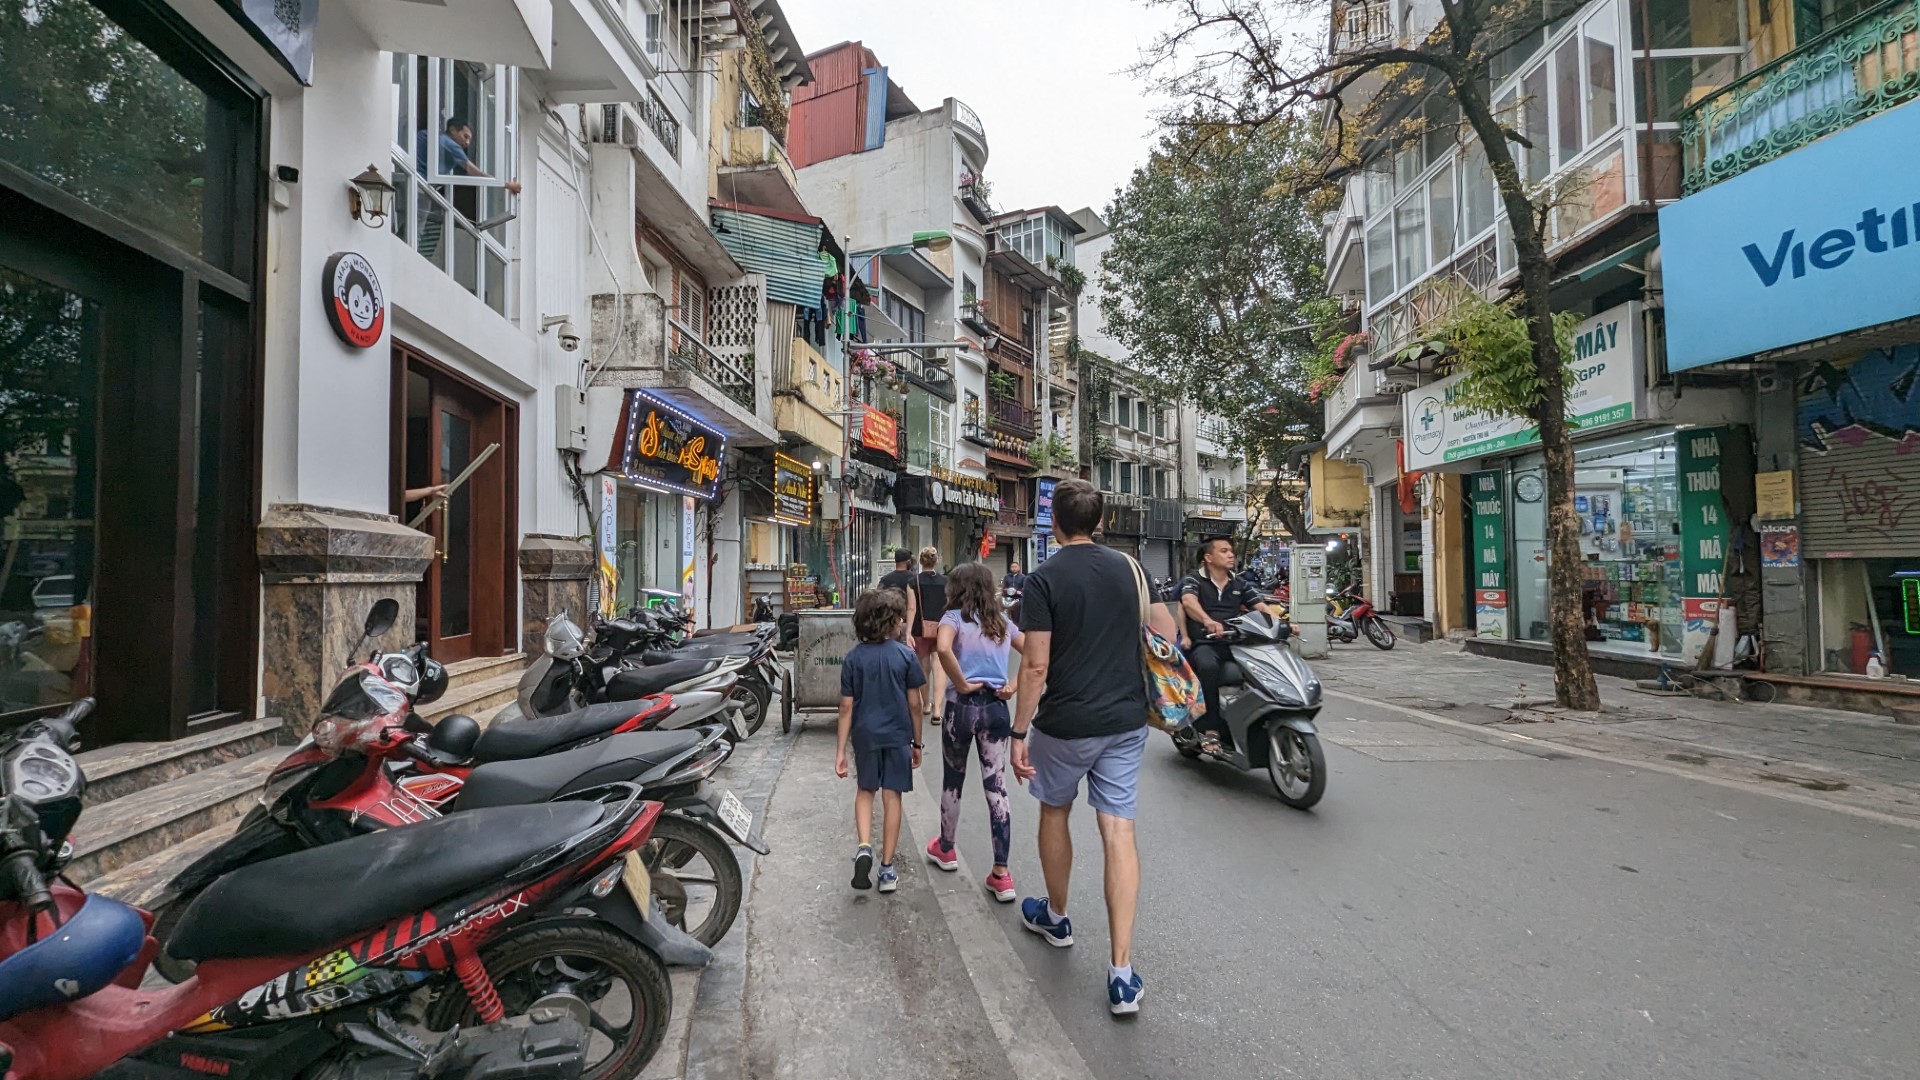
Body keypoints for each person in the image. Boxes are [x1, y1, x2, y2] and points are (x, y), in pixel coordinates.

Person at [1012, 479, 1173, 1016]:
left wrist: (1018, 733)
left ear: (1053, 522)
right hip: (1126, 719)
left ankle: (1057, 918)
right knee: (1118, 830)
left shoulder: (1044, 579)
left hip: (1064, 724)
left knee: (1055, 810)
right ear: (1100, 522)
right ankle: (1122, 972)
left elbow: (1035, 666)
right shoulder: (1132, 569)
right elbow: (1166, 629)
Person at [926, 563, 1024, 902]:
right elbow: (1039, 655)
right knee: (996, 786)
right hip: (996, 709)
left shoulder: (952, 619)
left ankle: (947, 848)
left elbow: (941, 648)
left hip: (961, 708)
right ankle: (1002, 873)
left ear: (957, 588)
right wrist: (1012, 685)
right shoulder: (1002, 623)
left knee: (953, 780)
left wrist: (960, 682)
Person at [834, 587, 926, 893]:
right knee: (892, 797)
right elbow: (916, 704)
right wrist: (917, 742)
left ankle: (863, 846)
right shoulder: (905, 656)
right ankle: (886, 869)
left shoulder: (853, 659)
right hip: (898, 735)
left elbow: (846, 706)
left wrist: (840, 751)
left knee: (865, 790)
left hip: (865, 735)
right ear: (892, 623)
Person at [1178, 535, 1274, 754]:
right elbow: (1188, 603)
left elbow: (1260, 606)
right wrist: (1207, 620)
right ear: (1208, 557)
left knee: (1261, 666)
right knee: (1209, 667)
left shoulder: (1239, 583)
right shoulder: (1194, 581)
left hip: (1234, 642)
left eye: (1231, 550)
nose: (1230, 554)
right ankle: (1209, 728)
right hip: (1205, 642)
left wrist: (1282, 623)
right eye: (1224, 551)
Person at [912, 547, 949, 721]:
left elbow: (911, 608)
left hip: (920, 629)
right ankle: (938, 709)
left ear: (920, 561)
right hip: (942, 628)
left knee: (923, 667)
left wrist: (908, 633)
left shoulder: (914, 581)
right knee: (939, 667)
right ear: (936, 561)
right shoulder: (946, 581)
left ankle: (926, 704)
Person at [876, 548, 919, 646]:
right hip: (911, 625)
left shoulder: (885, 580)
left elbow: (877, 601)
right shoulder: (915, 579)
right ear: (908, 561)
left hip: (890, 625)